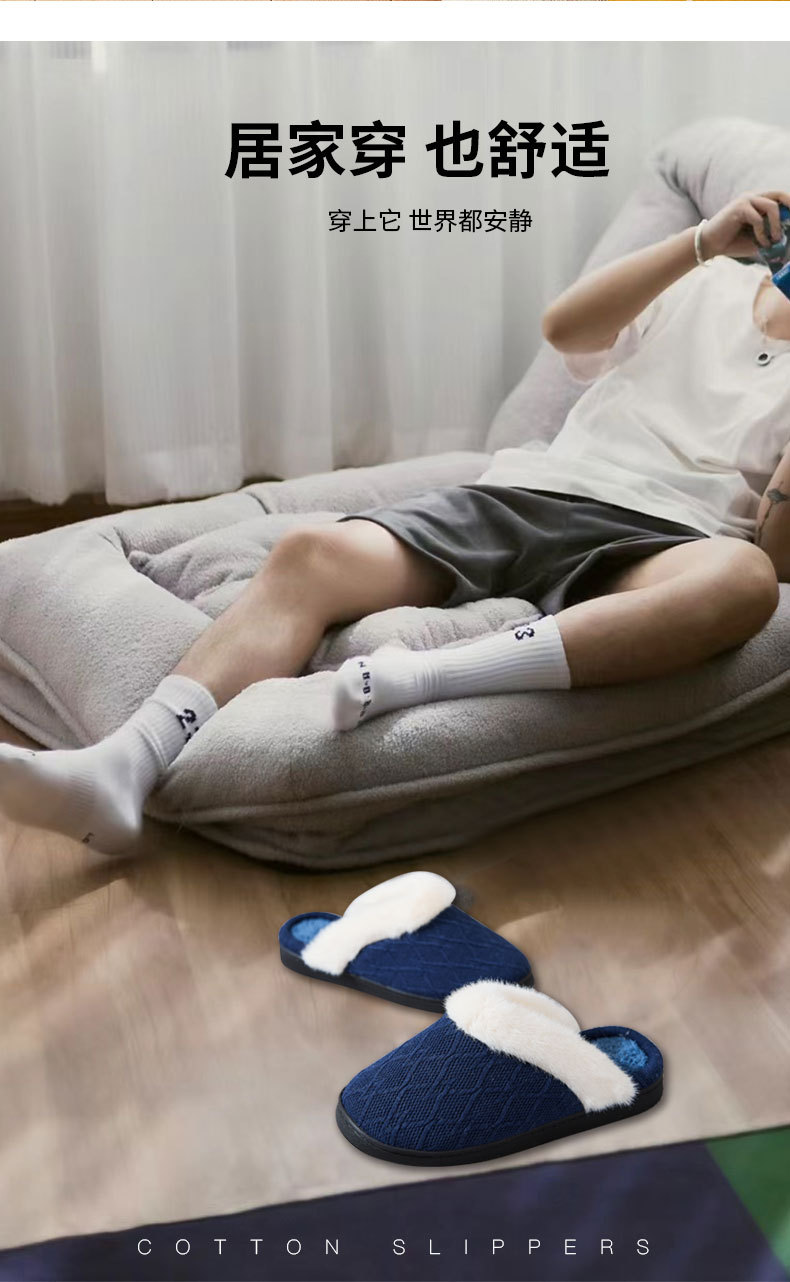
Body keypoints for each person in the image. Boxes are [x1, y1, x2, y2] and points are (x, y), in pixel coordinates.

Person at [2, 191, 789, 855]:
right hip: (535, 491)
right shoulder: (705, 282)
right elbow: (565, 330)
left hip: (669, 537)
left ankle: (425, 679)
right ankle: (124, 765)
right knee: (312, 554)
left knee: (745, 581)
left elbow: (778, 558)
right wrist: (698, 242)